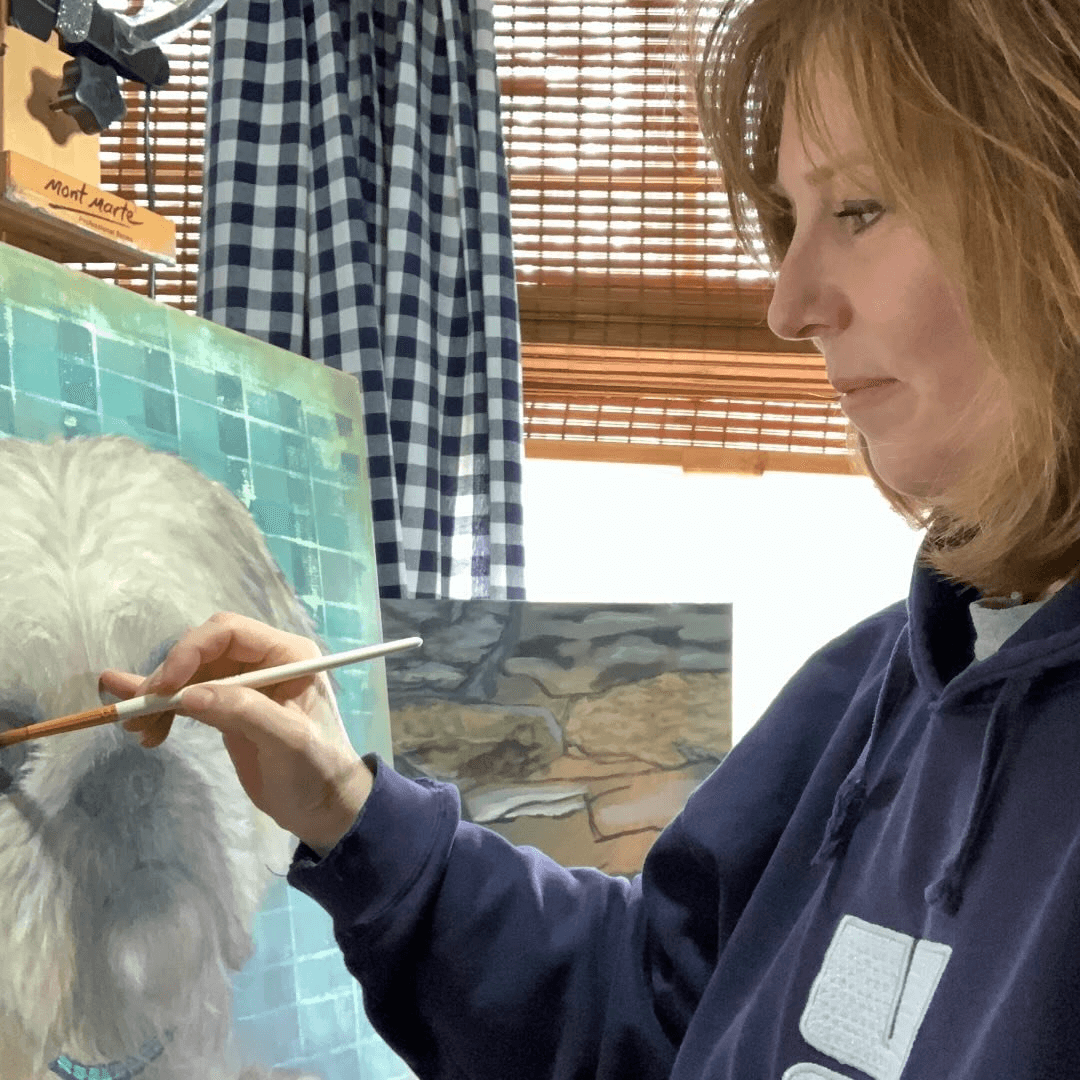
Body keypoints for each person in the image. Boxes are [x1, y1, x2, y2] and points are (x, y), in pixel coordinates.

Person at [99, 0, 1080, 1076]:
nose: (788, 303)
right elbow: (656, 1012)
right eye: (791, 220)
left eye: (859, 207)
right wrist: (348, 811)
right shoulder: (873, 687)